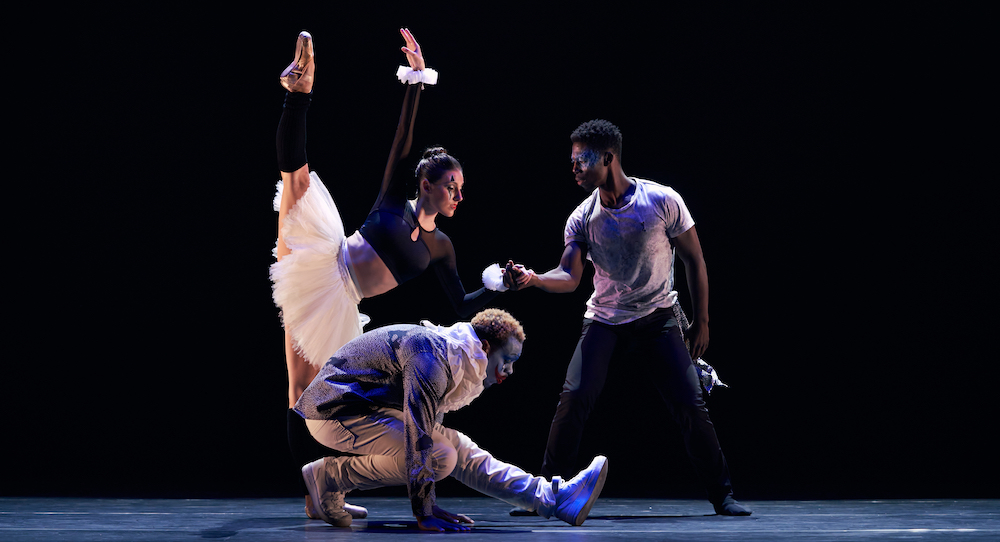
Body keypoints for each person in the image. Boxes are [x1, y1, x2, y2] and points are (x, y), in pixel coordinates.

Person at [272, 29, 514, 519]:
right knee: (296, 181)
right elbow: (402, 138)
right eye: (452, 186)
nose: (458, 196)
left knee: (315, 399)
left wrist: (504, 284)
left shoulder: (441, 247)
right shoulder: (392, 203)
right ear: (426, 184)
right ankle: (298, 93)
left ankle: (320, 491)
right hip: (327, 263)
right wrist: (416, 81)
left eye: (462, 188)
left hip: (343, 305)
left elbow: (460, 307)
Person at [504, 120, 751, 516]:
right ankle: (544, 497)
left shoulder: (660, 200)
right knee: (574, 399)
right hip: (604, 320)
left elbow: (694, 259)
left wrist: (702, 321)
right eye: (572, 161)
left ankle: (723, 495)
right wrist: (533, 279)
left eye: (581, 160)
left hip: (658, 317)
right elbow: (569, 276)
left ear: (607, 157)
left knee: (690, 404)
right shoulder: (582, 217)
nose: (574, 167)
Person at [295, 308, 609, 530]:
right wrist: (425, 510)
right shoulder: (432, 360)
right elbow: (417, 436)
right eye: (508, 361)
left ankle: (553, 498)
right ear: (485, 347)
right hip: (332, 412)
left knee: (460, 449)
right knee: (440, 456)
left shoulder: (451, 355)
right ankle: (329, 478)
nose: (509, 372)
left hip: (365, 407)